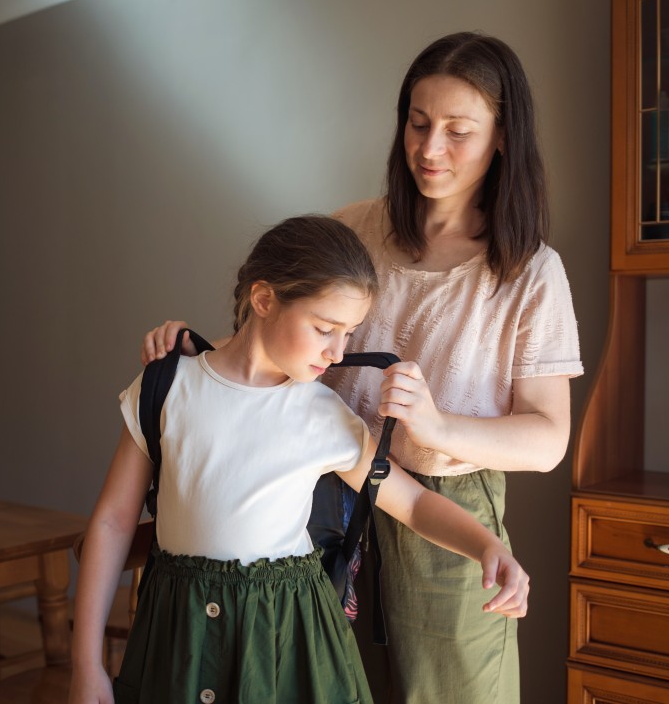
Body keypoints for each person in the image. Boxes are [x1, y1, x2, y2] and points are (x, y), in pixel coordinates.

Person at [139, 32, 583, 704]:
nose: (429, 149)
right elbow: (270, 330)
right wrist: (195, 347)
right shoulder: (355, 228)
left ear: (501, 138)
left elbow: (549, 437)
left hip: (443, 513)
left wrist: (437, 425)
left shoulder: (530, 271)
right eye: (418, 123)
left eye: (457, 131)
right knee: (332, 683)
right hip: (323, 493)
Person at [72, 215, 530, 704]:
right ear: (264, 299)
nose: (336, 352)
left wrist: (487, 546)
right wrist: (85, 665)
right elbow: (113, 522)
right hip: (176, 637)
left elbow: (414, 503)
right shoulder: (164, 388)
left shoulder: (321, 415)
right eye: (324, 328)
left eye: (349, 334)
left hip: (286, 643)